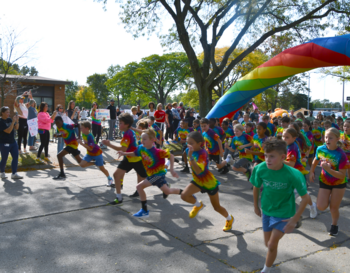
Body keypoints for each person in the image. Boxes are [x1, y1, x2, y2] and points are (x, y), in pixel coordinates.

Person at [250, 138, 310, 273]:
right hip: (267, 209)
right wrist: (255, 205)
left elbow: (306, 198)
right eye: (266, 155)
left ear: (283, 157)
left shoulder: (293, 174)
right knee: (268, 244)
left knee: (271, 244)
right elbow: (256, 187)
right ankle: (270, 261)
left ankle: (266, 270)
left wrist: (294, 218)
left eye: (272, 156)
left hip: (284, 212)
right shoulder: (260, 169)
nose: (267, 159)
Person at [118, 128, 181, 218]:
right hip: (152, 174)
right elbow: (135, 153)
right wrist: (123, 153)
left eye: (144, 139)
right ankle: (185, 193)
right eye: (141, 138)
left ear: (152, 140)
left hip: (157, 175)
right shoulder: (141, 148)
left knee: (139, 187)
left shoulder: (157, 151)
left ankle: (144, 211)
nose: (141, 141)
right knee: (168, 191)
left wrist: (172, 169)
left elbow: (171, 155)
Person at [181, 131, 234, 231]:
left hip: (209, 183)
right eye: (188, 143)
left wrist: (191, 156)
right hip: (197, 181)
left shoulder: (203, 154)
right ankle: (198, 205)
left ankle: (229, 219)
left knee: (217, 208)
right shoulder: (189, 149)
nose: (189, 145)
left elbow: (198, 170)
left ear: (200, 143)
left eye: (191, 143)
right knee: (184, 195)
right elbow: (186, 155)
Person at [309, 128, 350, 236]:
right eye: (326, 137)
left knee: (333, 208)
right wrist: (312, 171)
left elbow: (342, 175)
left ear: (337, 139)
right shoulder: (320, 149)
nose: (327, 139)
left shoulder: (341, 154)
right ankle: (329, 198)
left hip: (338, 183)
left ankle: (334, 225)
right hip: (325, 181)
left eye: (330, 138)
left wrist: (329, 169)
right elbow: (316, 159)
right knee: (321, 206)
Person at [102, 113, 147, 202]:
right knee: (116, 175)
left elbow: (123, 149)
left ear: (127, 124)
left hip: (136, 159)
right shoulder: (128, 132)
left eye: (120, 123)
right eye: (118, 123)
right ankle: (119, 197)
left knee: (147, 178)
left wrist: (109, 144)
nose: (118, 125)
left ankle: (162, 183)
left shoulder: (127, 134)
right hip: (129, 158)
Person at [78, 121, 114, 186]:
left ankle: (110, 178)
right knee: (82, 165)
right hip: (89, 154)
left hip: (97, 153)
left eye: (82, 128)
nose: (81, 129)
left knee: (102, 168)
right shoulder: (83, 133)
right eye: (80, 128)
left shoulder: (90, 136)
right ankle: (95, 163)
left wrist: (81, 143)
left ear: (87, 128)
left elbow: (90, 148)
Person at [0, 106, 23, 179]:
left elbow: (16, 128)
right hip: (4, 143)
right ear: (2, 113)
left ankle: (14, 173)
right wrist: (13, 121)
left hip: (13, 142)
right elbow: (8, 131)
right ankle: (2, 172)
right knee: (4, 158)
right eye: (7, 112)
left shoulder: (9, 119)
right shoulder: (1, 121)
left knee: (15, 157)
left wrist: (17, 121)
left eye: (9, 112)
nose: (8, 114)